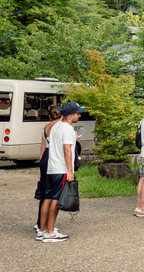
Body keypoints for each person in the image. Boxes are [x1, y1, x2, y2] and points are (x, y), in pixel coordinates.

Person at [39, 101, 86, 242]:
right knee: (56, 199)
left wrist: (73, 138)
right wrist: (70, 170)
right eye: (77, 113)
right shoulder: (67, 129)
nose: (79, 115)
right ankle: (51, 232)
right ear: (70, 116)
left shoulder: (55, 127)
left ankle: (42, 230)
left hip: (51, 168)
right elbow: (67, 150)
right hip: (61, 169)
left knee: (47, 198)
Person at [34, 104, 61, 238]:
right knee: (52, 194)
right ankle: (47, 227)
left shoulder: (46, 127)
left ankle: (41, 224)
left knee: (44, 192)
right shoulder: (60, 127)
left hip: (45, 158)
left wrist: (40, 166)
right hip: (54, 158)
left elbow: (42, 148)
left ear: (50, 116)